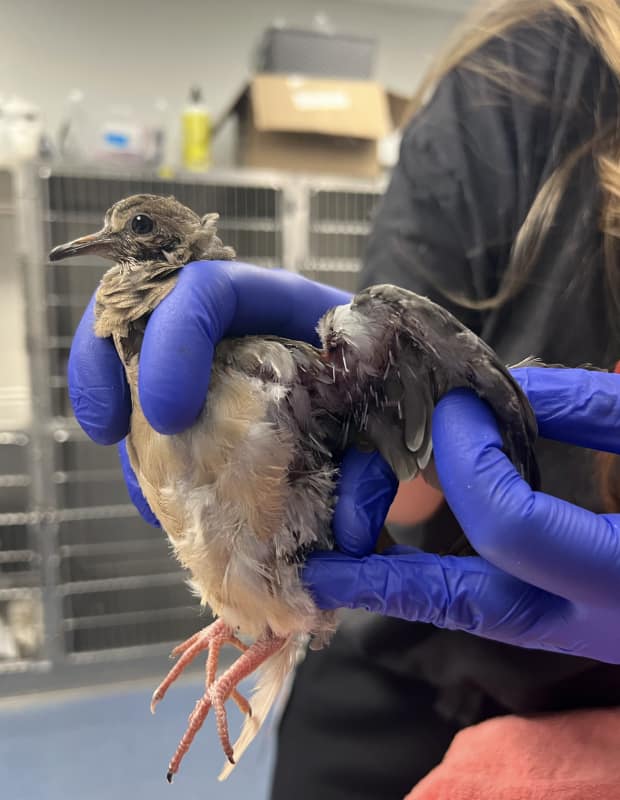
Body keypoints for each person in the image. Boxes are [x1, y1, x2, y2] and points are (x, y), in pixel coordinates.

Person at [67, 1, 620, 797]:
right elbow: (404, 492)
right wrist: (361, 387)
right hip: (414, 660)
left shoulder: (530, 72)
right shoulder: (529, 74)